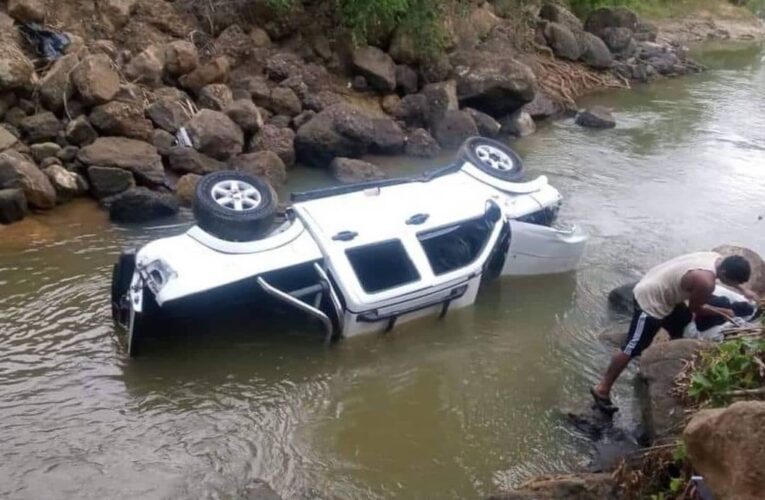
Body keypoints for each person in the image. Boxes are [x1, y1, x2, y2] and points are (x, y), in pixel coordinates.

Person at [591, 252, 754, 413]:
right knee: (633, 346)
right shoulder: (705, 282)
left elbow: (694, 307)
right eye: (733, 282)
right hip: (651, 300)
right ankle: (602, 389)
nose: (732, 286)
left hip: (662, 287)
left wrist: (744, 291)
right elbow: (696, 309)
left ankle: (669, 360)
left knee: (682, 321)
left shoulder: (715, 257)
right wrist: (723, 311)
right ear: (724, 273)